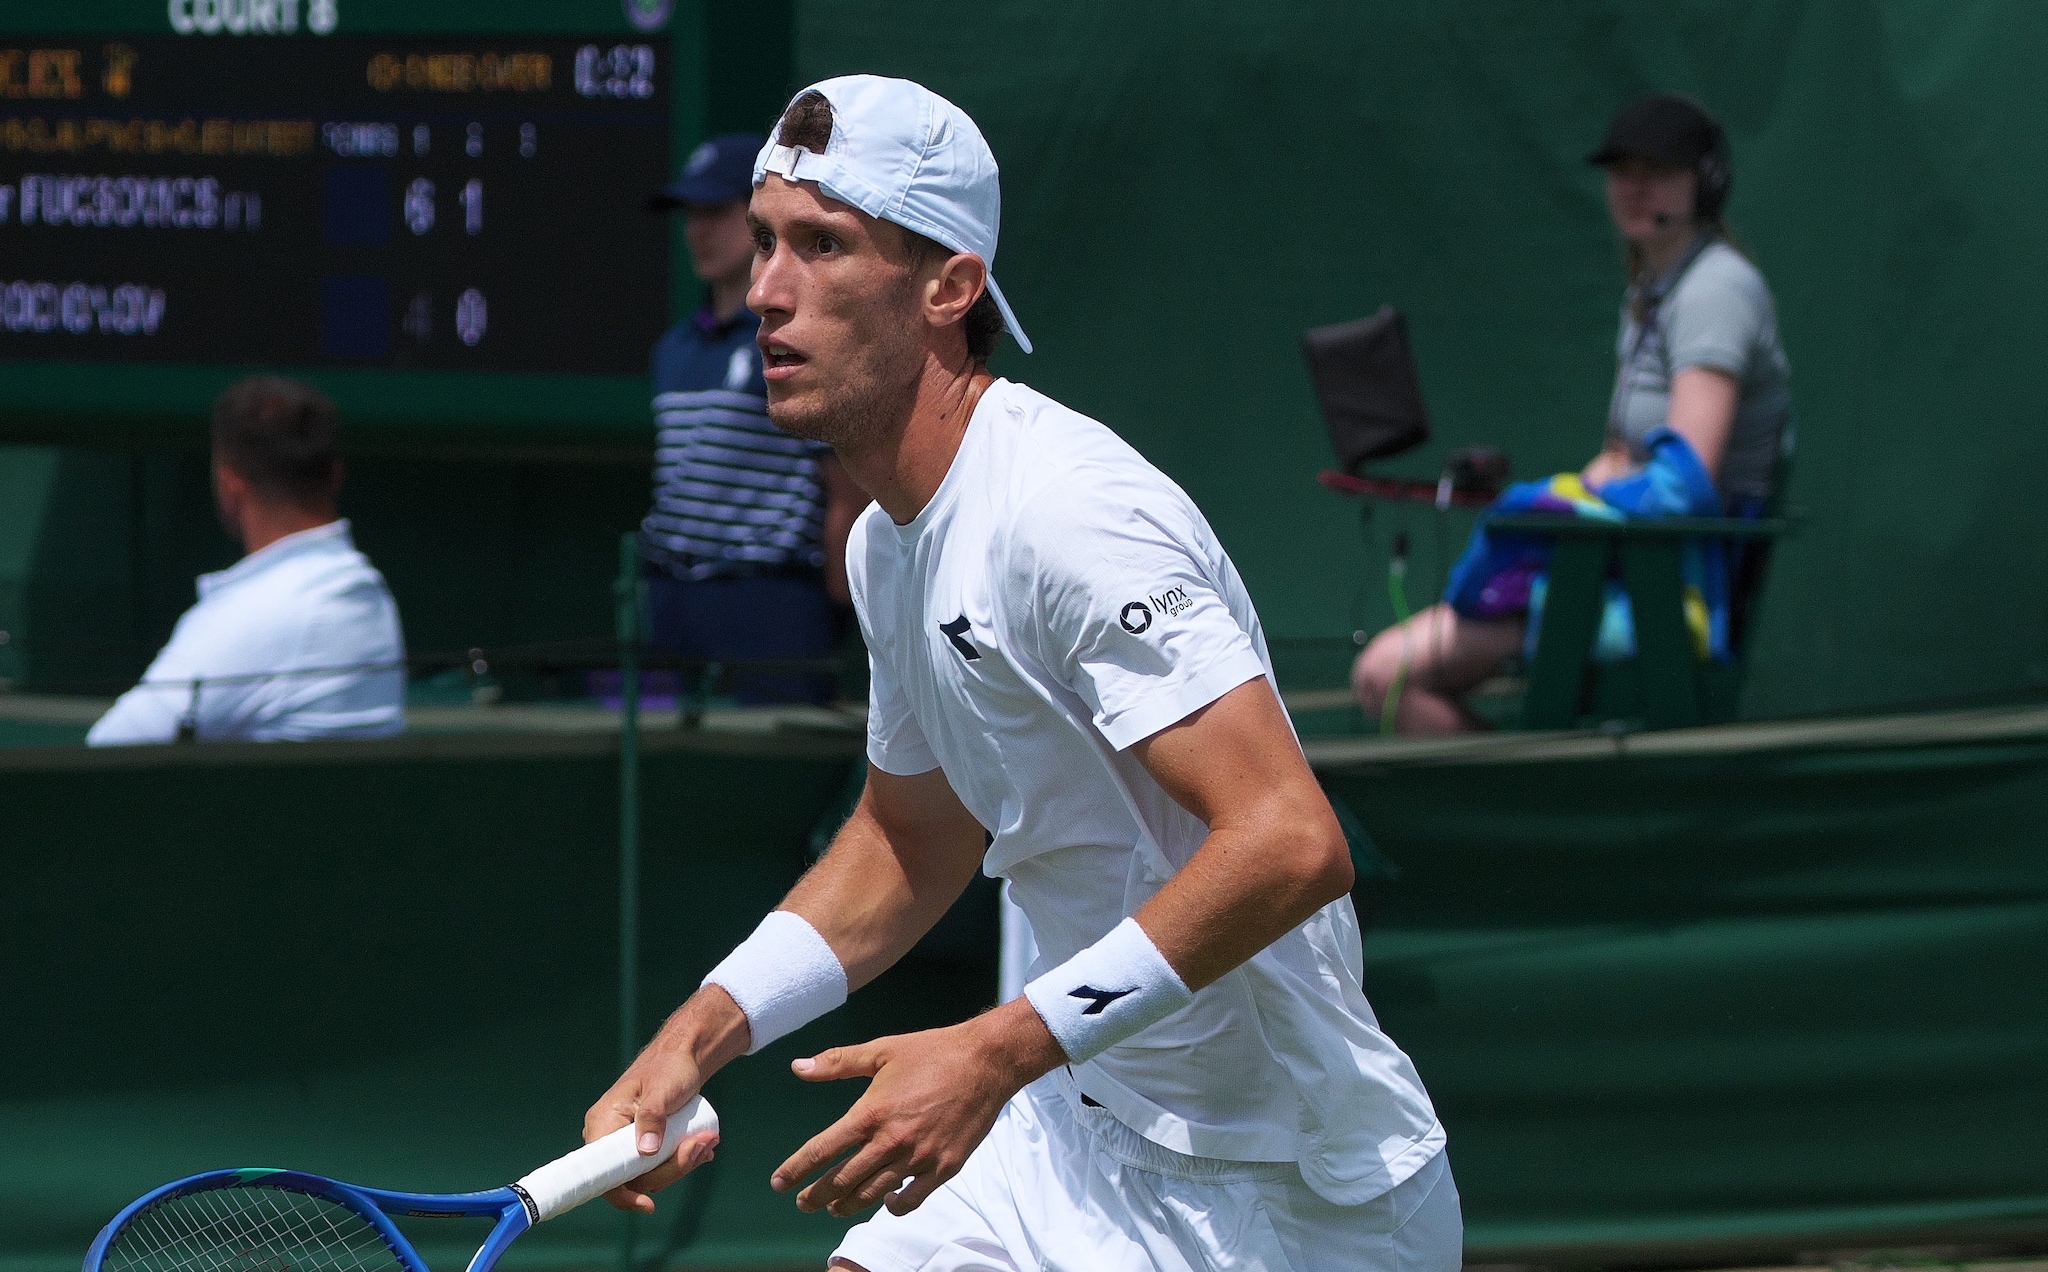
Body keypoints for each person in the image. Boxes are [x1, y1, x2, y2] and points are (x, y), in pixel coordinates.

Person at [584, 77, 1458, 1272]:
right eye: (765, 244)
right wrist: (700, 1033)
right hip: (1064, 1131)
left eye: (822, 247)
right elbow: (908, 838)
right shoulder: (884, 540)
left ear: (949, 286)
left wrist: (995, 1049)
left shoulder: (1068, 517)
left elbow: (1290, 842)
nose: (764, 292)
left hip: (1283, 1197)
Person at [1352, 92, 1793, 734]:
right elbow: (1618, 457)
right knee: (1383, 676)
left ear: (1706, 182)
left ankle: (1533, 817)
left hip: (1669, 589)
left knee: (1383, 675)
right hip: (1617, 562)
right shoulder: (1652, 285)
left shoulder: (1715, 290)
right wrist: (1545, 501)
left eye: (1657, 171)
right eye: (1622, 172)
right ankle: (1535, 809)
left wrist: (1555, 511)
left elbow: (1685, 483)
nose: (1633, 189)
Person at [641, 131, 867, 705]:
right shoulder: (671, 349)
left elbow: (844, 493)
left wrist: (845, 620)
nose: (698, 230)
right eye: (690, 214)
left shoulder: (799, 340)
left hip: (768, 608)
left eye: (716, 212)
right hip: (669, 603)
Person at [87, 376, 405, 745]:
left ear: (229, 486)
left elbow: (107, 752)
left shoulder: (269, 611)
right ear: (335, 477)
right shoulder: (369, 596)